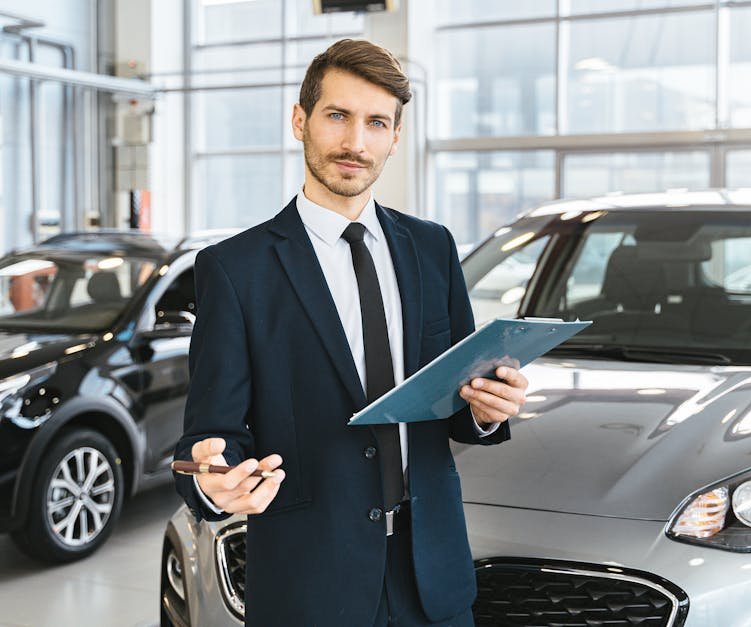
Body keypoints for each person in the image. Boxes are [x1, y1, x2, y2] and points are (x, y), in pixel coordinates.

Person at [173, 38, 528, 626]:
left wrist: (490, 409)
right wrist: (214, 481)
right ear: (300, 120)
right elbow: (211, 437)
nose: (355, 143)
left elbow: (458, 399)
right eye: (338, 115)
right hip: (311, 583)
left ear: (395, 135)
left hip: (431, 575)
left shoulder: (433, 247)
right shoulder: (236, 270)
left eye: (376, 123)